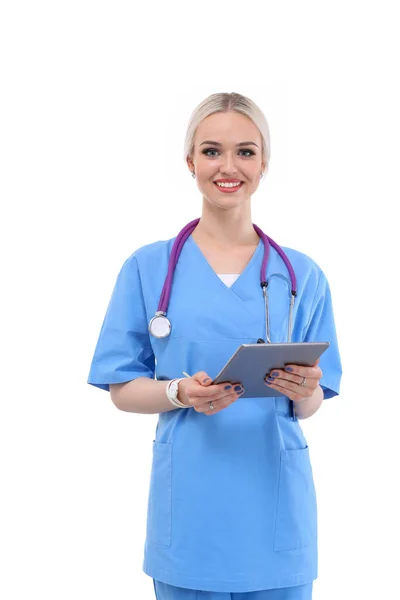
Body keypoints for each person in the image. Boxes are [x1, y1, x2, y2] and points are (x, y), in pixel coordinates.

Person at [87, 92, 342, 600]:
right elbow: (120, 388)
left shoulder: (301, 275)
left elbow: (312, 402)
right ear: (190, 162)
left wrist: (303, 388)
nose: (229, 166)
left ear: (264, 163)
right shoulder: (148, 268)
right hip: (190, 509)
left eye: (246, 151)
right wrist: (179, 392)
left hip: (275, 512)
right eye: (212, 151)